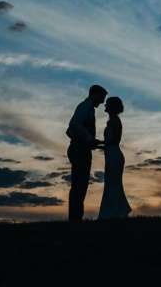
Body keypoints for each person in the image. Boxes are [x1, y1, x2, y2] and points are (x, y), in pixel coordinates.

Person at [66, 84, 107, 221]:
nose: (102, 102)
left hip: (80, 148)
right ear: (95, 94)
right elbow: (74, 126)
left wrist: (91, 141)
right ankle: (75, 218)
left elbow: (73, 128)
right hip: (79, 150)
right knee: (79, 185)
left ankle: (76, 217)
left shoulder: (87, 108)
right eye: (102, 98)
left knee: (80, 185)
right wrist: (89, 139)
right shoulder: (85, 107)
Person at [98, 96, 131, 220]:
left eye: (107, 104)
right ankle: (118, 212)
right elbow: (110, 141)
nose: (105, 106)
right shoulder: (113, 120)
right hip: (111, 154)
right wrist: (100, 144)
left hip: (114, 155)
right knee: (112, 184)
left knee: (113, 184)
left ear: (112, 107)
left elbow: (113, 140)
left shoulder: (115, 121)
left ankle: (114, 213)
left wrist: (97, 144)